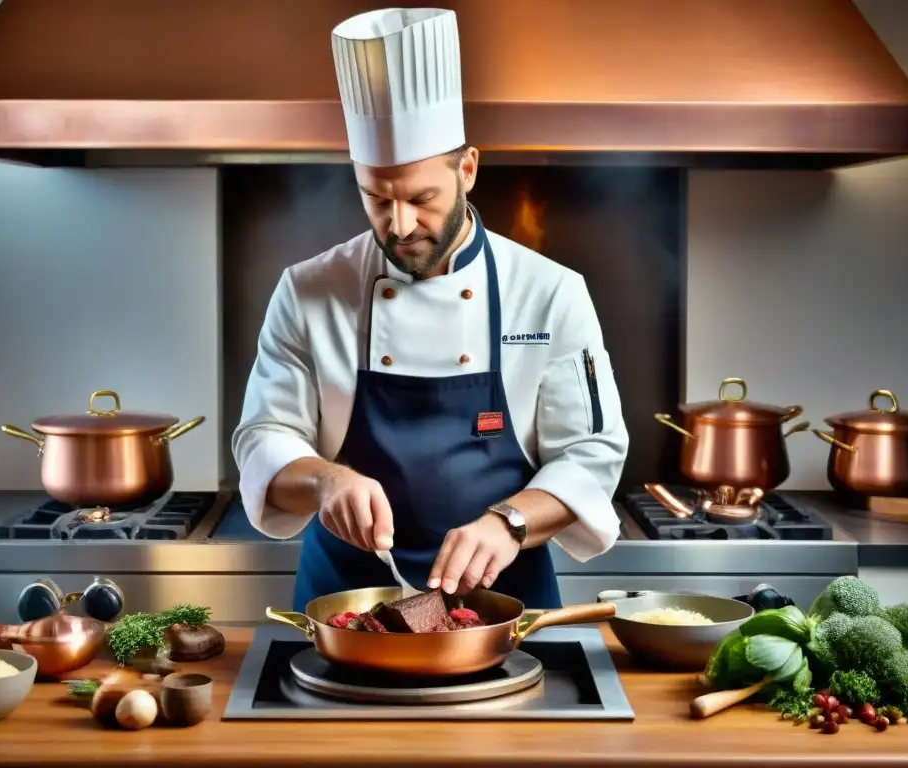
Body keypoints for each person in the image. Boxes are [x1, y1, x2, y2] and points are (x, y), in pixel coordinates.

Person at [233, 7, 629, 613]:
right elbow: (264, 435)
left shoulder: (551, 292)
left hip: (505, 608)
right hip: (345, 603)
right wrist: (324, 479)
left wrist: (511, 523)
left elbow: (592, 453)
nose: (400, 226)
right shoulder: (308, 289)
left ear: (467, 169)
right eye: (376, 198)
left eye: (422, 198)